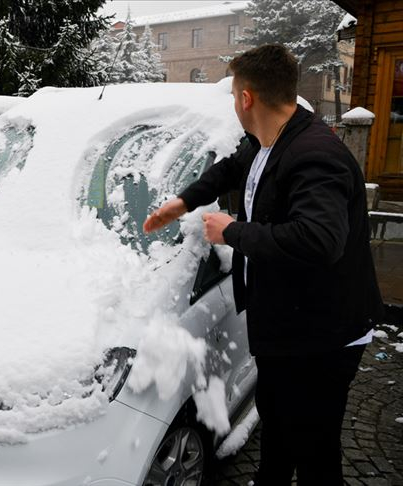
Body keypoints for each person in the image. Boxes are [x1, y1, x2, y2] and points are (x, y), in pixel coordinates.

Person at [143, 45, 383, 485]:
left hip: (323, 335)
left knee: (315, 446)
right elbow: (230, 170)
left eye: (235, 94)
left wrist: (231, 231)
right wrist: (181, 203)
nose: (234, 103)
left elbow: (320, 239)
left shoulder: (315, 155)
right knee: (277, 420)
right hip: (286, 326)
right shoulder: (270, 140)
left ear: (246, 98)